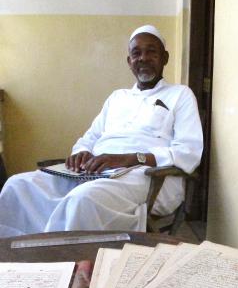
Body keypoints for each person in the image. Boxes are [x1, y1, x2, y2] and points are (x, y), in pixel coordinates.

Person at [0, 25, 203, 237]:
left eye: (151, 51)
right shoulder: (117, 97)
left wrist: (130, 159)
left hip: (144, 175)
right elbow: (90, 137)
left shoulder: (180, 95)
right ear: (129, 62)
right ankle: (15, 260)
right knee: (17, 185)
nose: (143, 58)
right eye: (136, 53)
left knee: (82, 200)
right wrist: (82, 153)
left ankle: (66, 264)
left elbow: (188, 152)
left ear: (165, 58)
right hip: (96, 170)